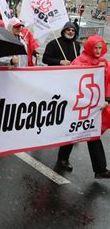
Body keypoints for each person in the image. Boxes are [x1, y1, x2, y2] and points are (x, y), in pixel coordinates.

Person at [57, 35, 110, 178]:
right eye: (95, 48)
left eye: (100, 48)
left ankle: (100, 169)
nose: (98, 51)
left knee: (93, 133)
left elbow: (107, 83)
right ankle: (62, 158)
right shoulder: (79, 62)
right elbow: (70, 82)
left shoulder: (104, 63)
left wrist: (106, 98)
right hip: (79, 104)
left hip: (95, 105)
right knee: (73, 131)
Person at [42, 22, 81, 170]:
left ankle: (63, 158)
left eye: (73, 30)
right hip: (55, 85)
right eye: (68, 29)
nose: (70, 32)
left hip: (72, 87)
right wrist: (59, 62)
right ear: (63, 30)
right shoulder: (54, 43)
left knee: (71, 121)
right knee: (53, 116)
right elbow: (45, 59)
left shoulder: (77, 46)